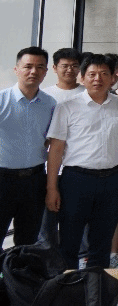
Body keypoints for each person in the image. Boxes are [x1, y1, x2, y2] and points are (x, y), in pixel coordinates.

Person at [46, 53, 118, 268]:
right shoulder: (67, 106)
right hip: (76, 180)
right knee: (69, 241)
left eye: (104, 73)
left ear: (113, 77)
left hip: (111, 181)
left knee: (102, 243)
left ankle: (96, 286)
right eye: (92, 74)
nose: (98, 79)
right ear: (82, 77)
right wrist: (52, 188)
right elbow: (56, 150)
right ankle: (68, 285)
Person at [0, 47, 55, 246]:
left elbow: (50, 140)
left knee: (28, 240)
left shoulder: (50, 104)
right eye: (28, 66)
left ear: (46, 72)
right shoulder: (2, 100)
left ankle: (20, 268)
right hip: (2, 180)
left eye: (40, 67)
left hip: (34, 180)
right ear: (16, 69)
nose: (34, 71)